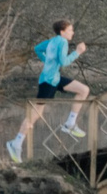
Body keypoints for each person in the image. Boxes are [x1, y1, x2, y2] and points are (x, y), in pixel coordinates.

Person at [8, 19, 90, 160]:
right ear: (62, 32)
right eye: (70, 30)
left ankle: (70, 123)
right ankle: (16, 143)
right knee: (36, 114)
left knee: (83, 90)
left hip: (54, 78)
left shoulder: (52, 41)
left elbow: (37, 49)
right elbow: (64, 62)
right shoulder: (62, 42)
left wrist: (47, 61)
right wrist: (78, 52)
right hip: (48, 82)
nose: (73, 32)